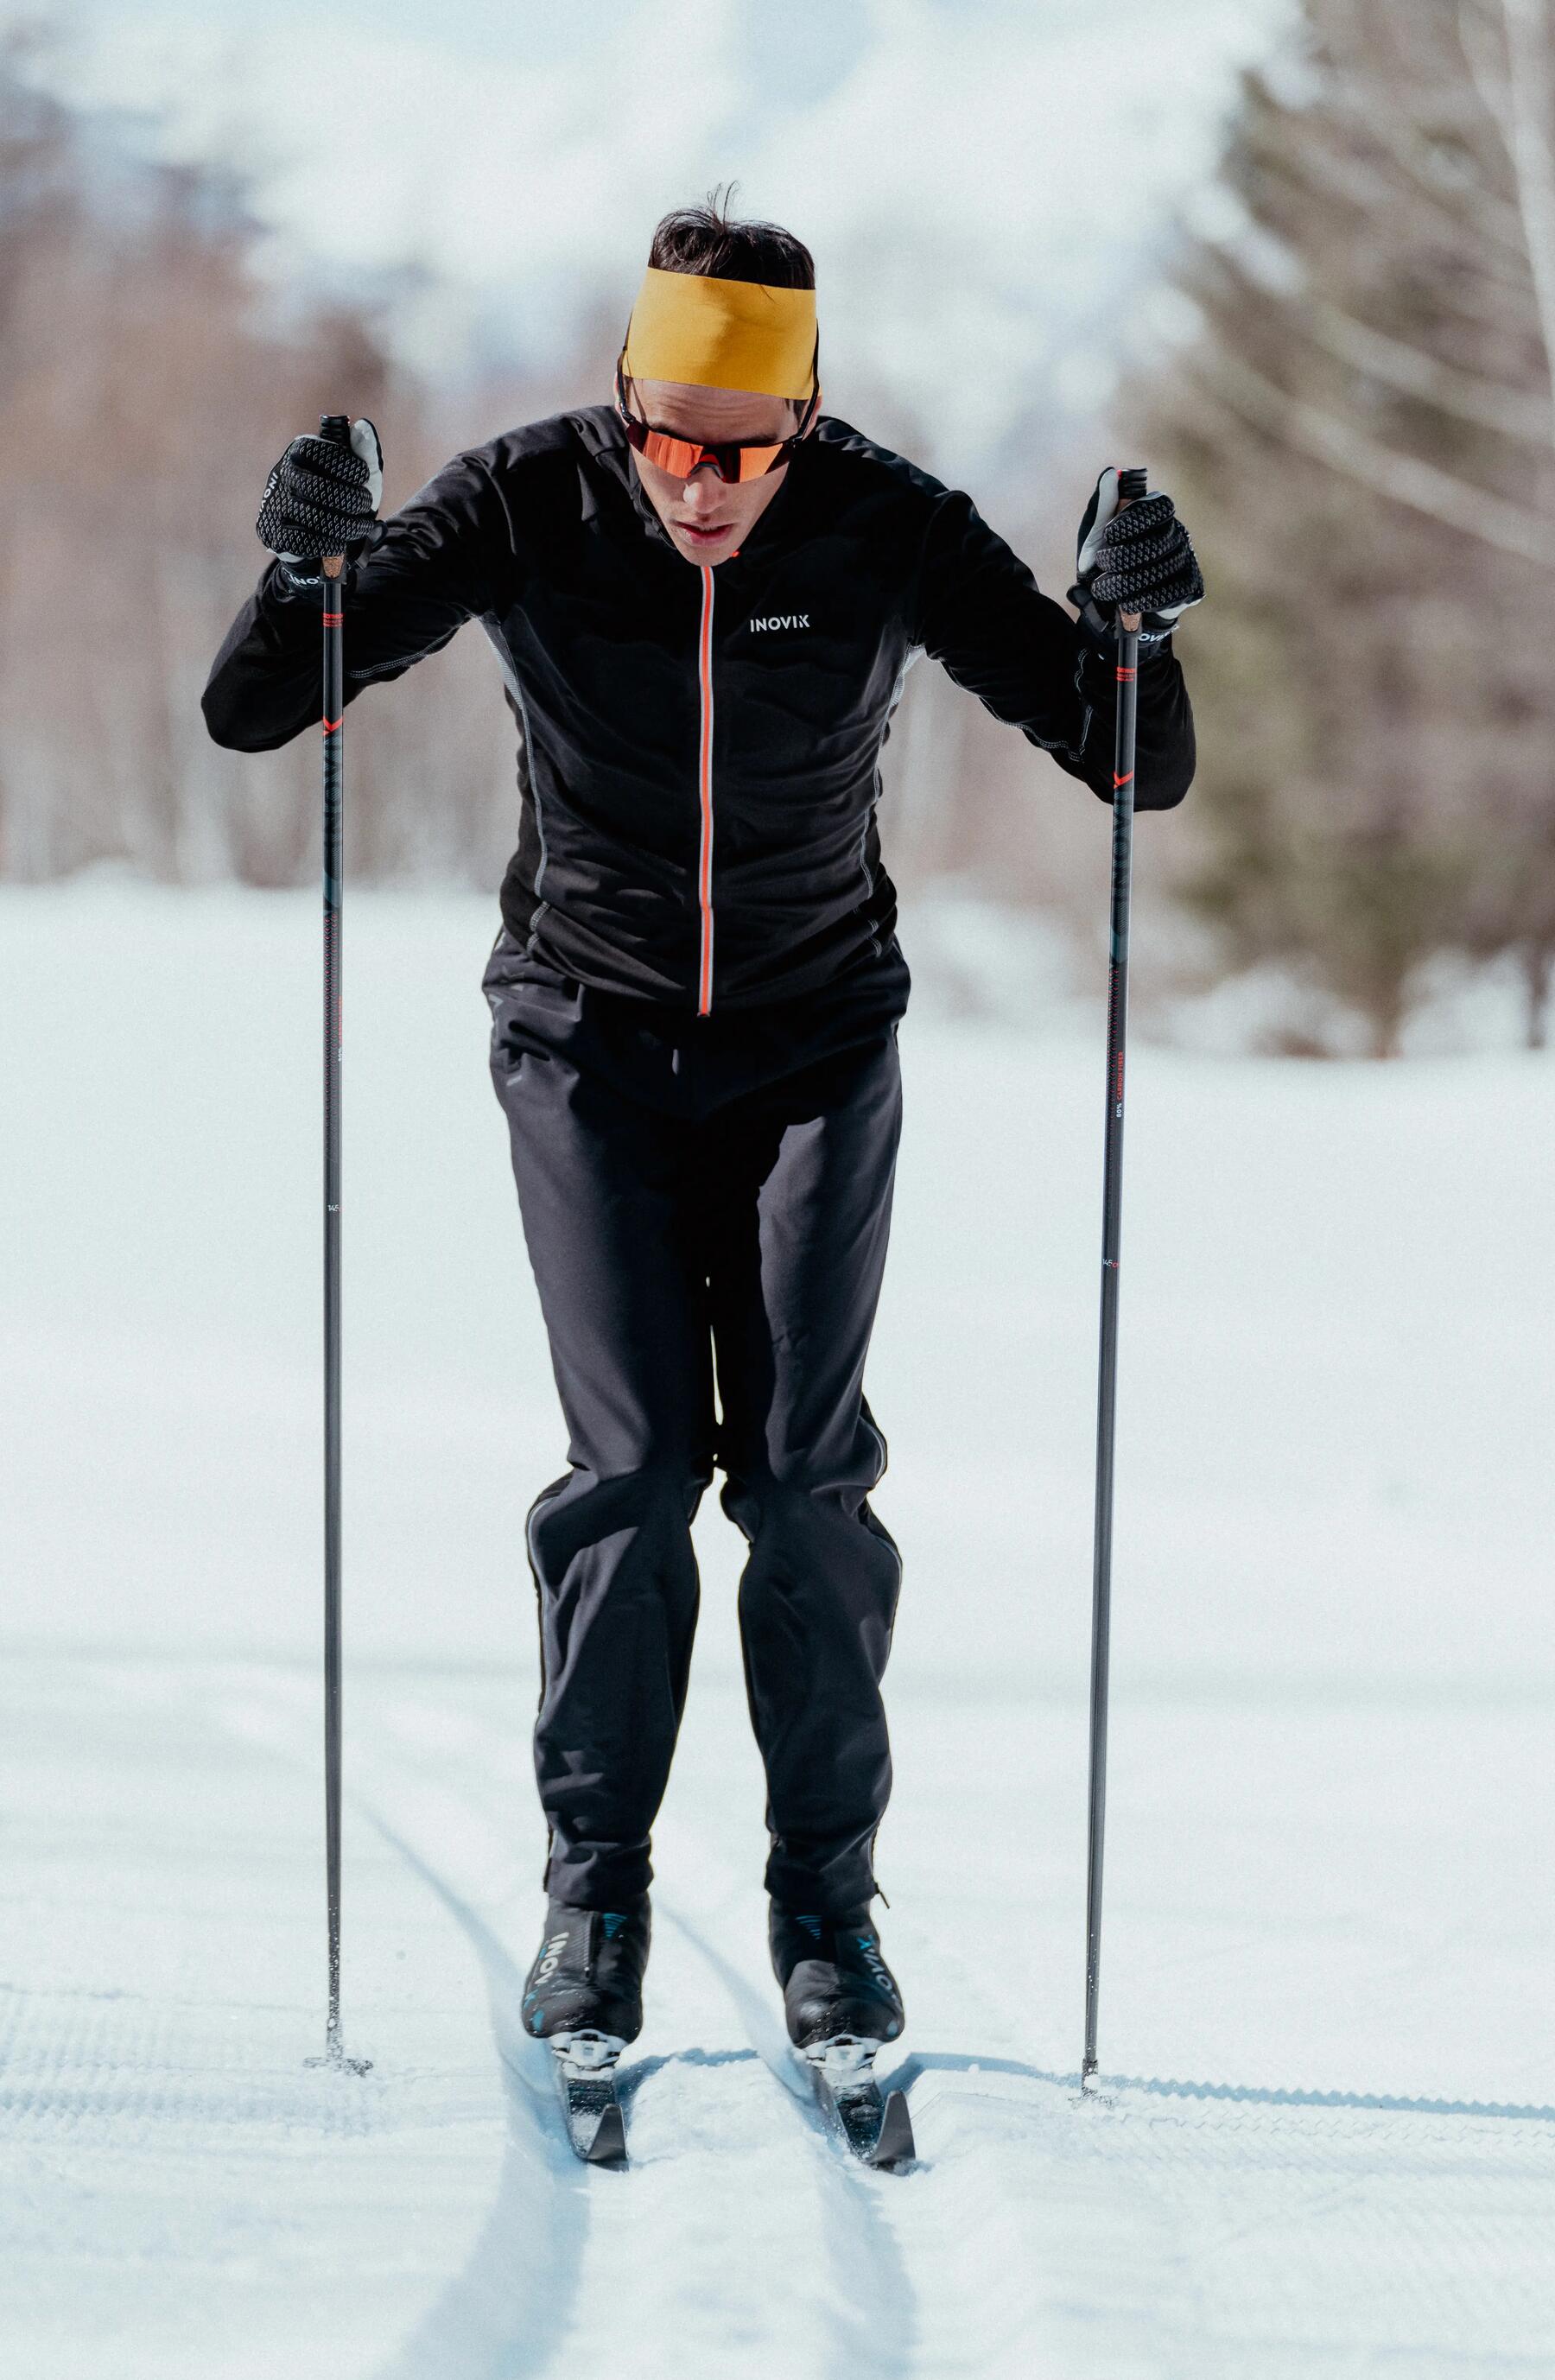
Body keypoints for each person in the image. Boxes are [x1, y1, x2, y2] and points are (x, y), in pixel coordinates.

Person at [203, 197, 1201, 2085]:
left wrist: (1137, 626)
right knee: (637, 1470)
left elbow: (1126, 753)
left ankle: (828, 1911)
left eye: (743, 450)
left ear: (805, 416)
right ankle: (597, 1894)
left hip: (818, 1049)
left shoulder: (888, 524)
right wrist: (300, 568)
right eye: (669, 438)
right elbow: (266, 704)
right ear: (625, 398)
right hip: (586, 1039)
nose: (702, 485)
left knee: (807, 1476)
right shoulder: (525, 505)